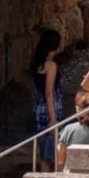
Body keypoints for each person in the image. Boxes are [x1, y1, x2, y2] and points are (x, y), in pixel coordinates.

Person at [30, 29, 61, 170]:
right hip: (49, 109)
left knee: (45, 153)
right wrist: (53, 118)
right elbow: (49, 92)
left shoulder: (37, 64)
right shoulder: (51, 66)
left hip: (39, 107)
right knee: (52, 153)